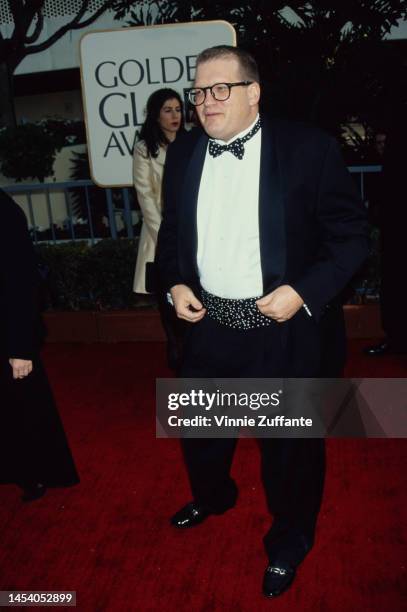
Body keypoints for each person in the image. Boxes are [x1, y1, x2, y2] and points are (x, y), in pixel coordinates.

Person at [156, 45, 368, 598]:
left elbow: (351, 238)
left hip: (284, 332)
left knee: (289, 450)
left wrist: (302, 291)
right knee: (201, 432)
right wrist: (175, 283)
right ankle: (214, 496)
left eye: (220, 88)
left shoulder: (308, 150)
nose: (206, 101)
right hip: (206, 327)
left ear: (254, 93)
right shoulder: (183, 155)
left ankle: (292, 538)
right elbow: (172, 236)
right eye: (199, 91)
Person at [0, 189, 79, 501]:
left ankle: (32, 474)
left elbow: (21, 281)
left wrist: (20, 348)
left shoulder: (3, 210)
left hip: (7, 334)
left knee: (21, 408)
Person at [133, 88, 185, 368]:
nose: (175, 115)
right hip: (158, 236)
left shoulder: (193, 142)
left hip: (193, 235)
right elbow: (145, 196)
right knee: (169, 303)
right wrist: (166, 235)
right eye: (168, 110)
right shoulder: (144, 148)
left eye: (178, 109)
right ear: (155, 114)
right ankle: (177, 355)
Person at [364, 123, 407, 355]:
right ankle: (394, 339)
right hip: (391, 241)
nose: (381, 148)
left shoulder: (394, 171)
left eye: (385, 143)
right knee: (392, 288)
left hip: (397, 238)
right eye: (378, 143)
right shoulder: (383, 173)